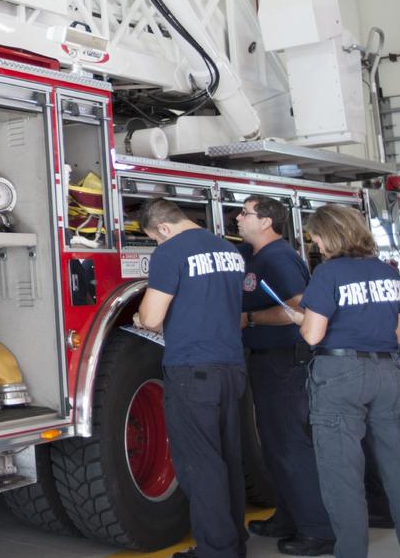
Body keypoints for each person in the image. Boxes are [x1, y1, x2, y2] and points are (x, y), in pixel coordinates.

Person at [294, 204, 400, 558]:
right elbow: (398, 334)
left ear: (329, 235)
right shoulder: (388, 272)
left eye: (316, 237)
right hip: (387, 373)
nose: (315, 244)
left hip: (339, 375)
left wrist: (301, 319)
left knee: (342, 478)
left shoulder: (328, 273)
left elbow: (312, 335)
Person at [134, 199, 248, 558]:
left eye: (154, 238)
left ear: (163, 228)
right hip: (232, 367)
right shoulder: (229, 250)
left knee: (201, 464)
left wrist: (140, 318)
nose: (157, 243)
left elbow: (152, 318)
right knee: (228, 458)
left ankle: (217, 551)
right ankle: (235, 543)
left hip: (192, 372)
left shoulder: (170, 252)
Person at [236, 195, 334, 556]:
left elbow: (300, 309)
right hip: (266, 361)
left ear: (266, 221)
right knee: (275, 445)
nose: (237, 218)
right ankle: (289, 517)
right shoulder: (254, 255)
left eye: (245, 213)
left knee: (290, 444)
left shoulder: (279, 257)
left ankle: (318, 530)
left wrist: (250, 319)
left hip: (284, 361)